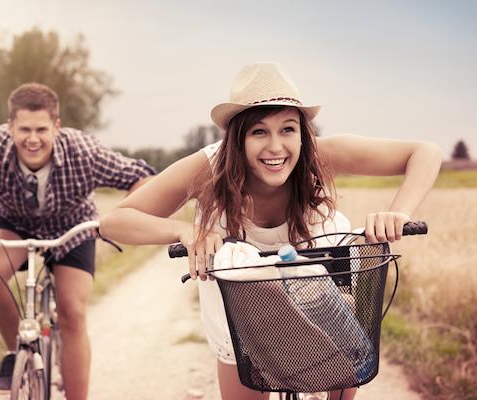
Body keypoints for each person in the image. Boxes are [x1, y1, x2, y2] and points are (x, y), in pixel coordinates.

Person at [99, 63, 442, 400]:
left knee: (345, 358)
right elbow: (115, 221)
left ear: (302, 132)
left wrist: (398, 212)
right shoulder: (208, 169)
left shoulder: (319, 155)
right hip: (240, 314)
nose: (276, 147)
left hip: (318, 296)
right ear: (238, 139)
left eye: (288, 129)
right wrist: (185, 231)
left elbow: (425, 152)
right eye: (259, 131)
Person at [0, 83, 155, 400]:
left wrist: (117, 218)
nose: (32, 139)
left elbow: (142, 178)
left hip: (74, 227)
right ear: (10, 127)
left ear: (56, 127)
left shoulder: (83, 151)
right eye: (24, 129)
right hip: (16, 223)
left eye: (41, 129)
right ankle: (15, 352)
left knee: (72, 312)